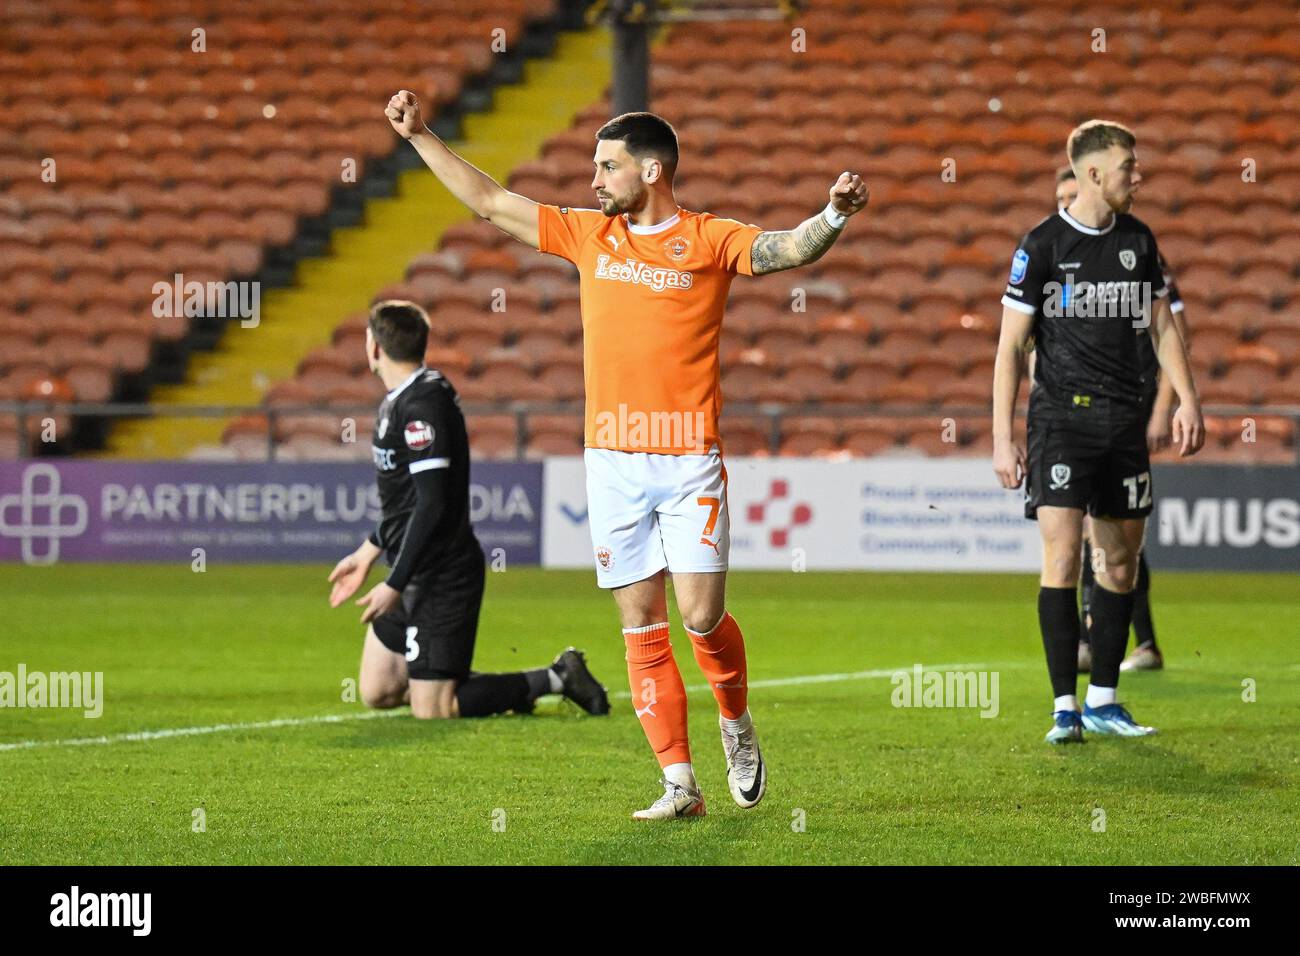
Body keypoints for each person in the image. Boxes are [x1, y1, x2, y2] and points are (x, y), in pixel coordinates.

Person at [385, 90, 868, 817]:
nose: (594, 179)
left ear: (651, 169)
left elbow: (783, 250)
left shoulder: (708, 238)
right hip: (610, 460)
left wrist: (833, 214)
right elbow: (489, 201)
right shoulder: (589, 235)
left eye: (606, 166)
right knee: (640, 626)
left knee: (701, 617)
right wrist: (421, 136)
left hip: (687, 459)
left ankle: (735, 723)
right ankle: (680, 784)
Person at [992, 120, 1203, 745]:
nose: (1136, 176)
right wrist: (1002, 438)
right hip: (1060, 420)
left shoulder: (1139, 241)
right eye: (1128, 167)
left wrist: (1187, 399)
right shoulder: (1043, 245)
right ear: (1092, 173)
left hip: (1123, 422)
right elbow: (1010, 349)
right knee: (1062, 558)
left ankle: (1106, 700)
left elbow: (1164, 329)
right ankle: (1065, 707)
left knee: (1119, 562)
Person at [327, 300, 611, 721]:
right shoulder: (401, 399)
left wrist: (395, 583)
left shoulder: (424, 405)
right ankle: (440, 677)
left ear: (373, 347)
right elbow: (405, 502)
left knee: (433, 709)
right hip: (412, 562)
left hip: (442, 574)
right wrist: (368, 551)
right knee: (377, 690)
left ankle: (557, 676)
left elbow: (432, 502)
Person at [1051, 166, 1191, 673]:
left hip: (1124, 405)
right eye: (1059, 198)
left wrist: (1163, 408)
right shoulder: (1056, 257)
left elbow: (1173, 332)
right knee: (1102, 530)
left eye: (1072, 194)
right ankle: (1130, 642)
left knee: (1111, 531)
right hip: (1072, 411)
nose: (1066, 204)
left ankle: (1107, 642)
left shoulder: (1133, 252)